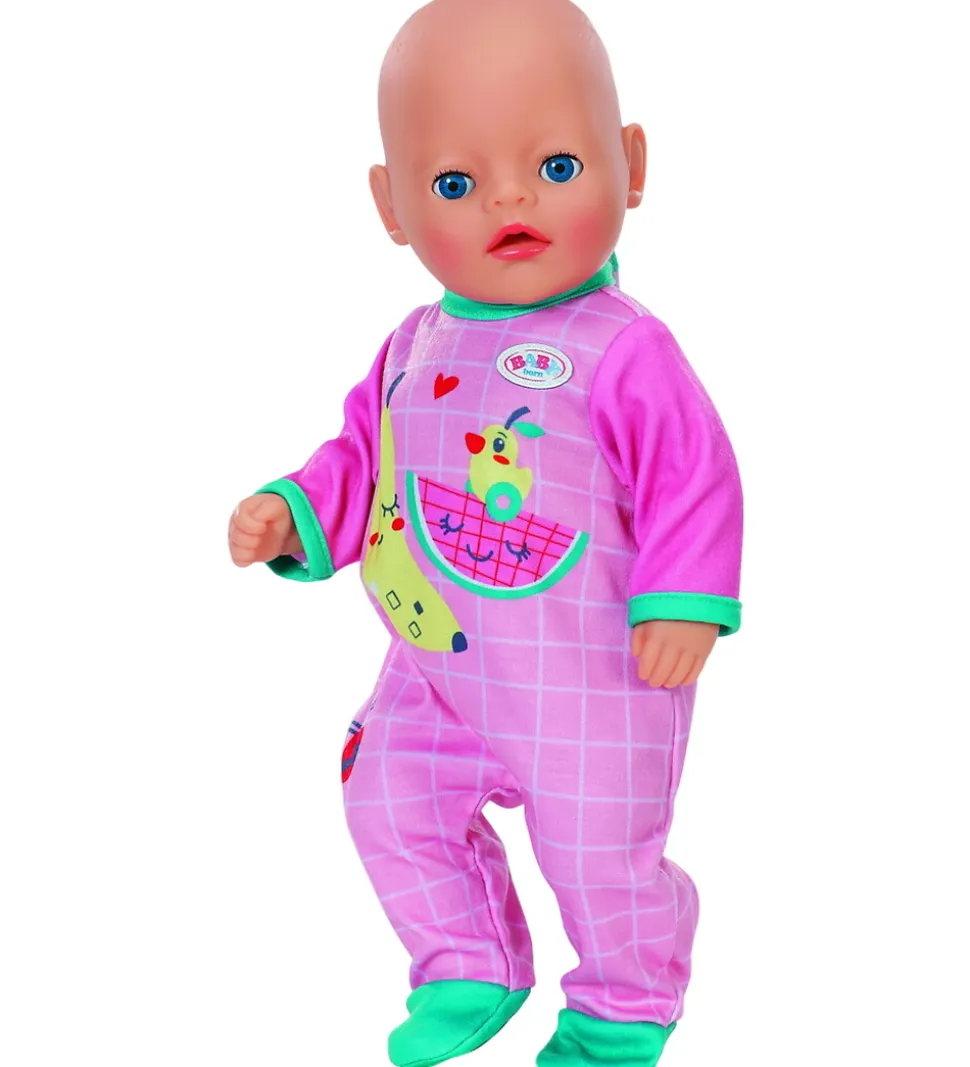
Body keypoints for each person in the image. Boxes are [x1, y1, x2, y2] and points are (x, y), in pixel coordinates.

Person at [228, 1, 743, 1064]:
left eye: (556, 166)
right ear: (392, 206)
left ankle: (623, 1001)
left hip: (590, 675)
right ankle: (468, 958)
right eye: (456, 184)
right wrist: (293, 510)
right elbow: (361, 458)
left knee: (599, 852)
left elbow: (692, 473)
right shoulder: (414, 341)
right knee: (385, 798)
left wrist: (684, 599)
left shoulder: (623, 347)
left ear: (632, 165)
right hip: (435, 663)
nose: (511, 197)